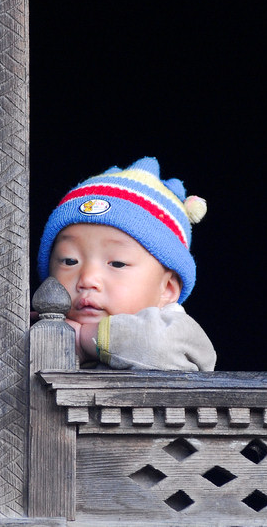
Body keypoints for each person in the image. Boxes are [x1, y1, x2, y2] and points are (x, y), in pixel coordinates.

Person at [37, 156, 216, 371]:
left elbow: (158, 346)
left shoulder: (173, 327)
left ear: (167, 289)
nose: (88, 279)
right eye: (70, 260)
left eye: (118, 263)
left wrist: (85, 340)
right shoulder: (41, 326)